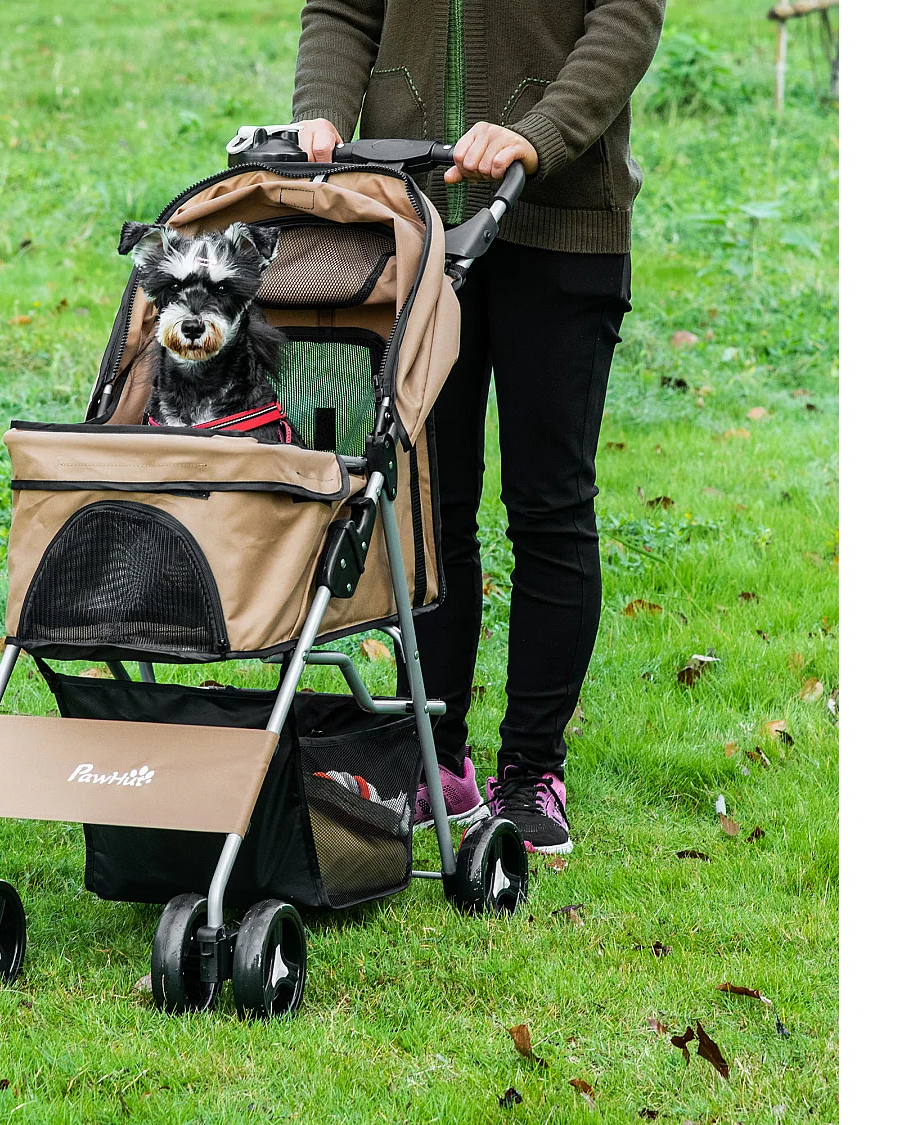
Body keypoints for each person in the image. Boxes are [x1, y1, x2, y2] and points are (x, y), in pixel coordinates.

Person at [292, 0, 665, 854]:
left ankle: (533, 771)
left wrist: (539, 133)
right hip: (414, 226)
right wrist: (321, 107)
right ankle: (437, 757)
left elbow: (626, 19)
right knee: (429, 504)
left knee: (549, 503)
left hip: (561, 223)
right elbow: (342, 10)